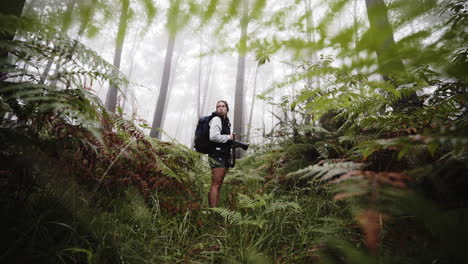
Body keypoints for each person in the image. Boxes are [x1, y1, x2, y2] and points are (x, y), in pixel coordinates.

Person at [208, 100, 234, 207]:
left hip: (222, 155)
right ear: (216, 109)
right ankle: (213, 211)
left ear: (227, 109)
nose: (221, 108)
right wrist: (228, 137)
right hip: (217, 154)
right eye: (218, 106)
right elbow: (213, 136)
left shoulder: (225, 122)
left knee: (218, 184)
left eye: (223, 106)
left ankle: (214, 209)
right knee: (216, 184)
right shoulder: (216, 119)